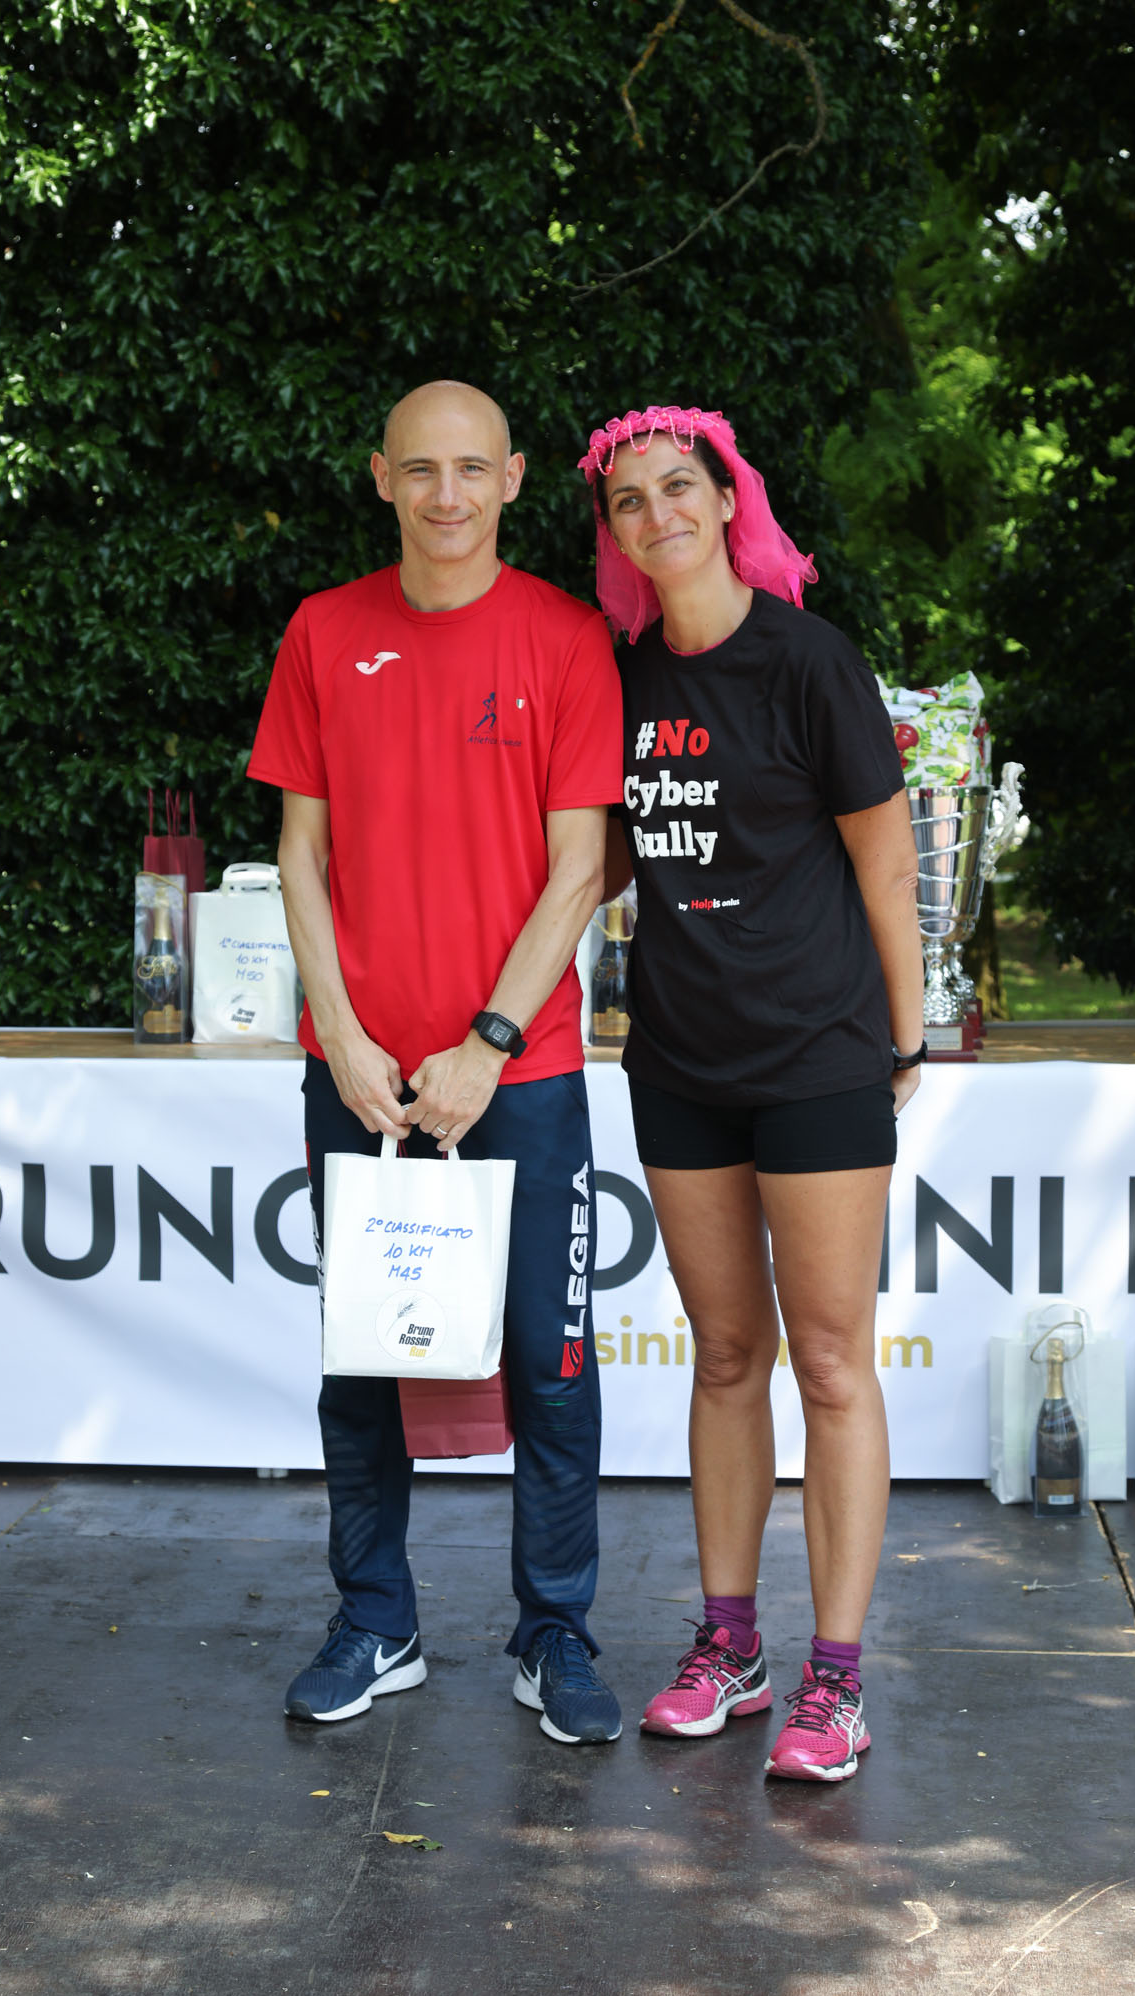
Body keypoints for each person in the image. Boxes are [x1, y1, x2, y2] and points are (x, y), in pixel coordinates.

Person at [248, 380, 624, 1746]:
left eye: (472, 469)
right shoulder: (322, 631)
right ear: (381, 477)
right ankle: (376, 1622)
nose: (447, 495)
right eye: (421, 470)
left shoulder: (567, 638)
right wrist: (342, 1033)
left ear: (514, 478)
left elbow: (578, 870)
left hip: (519, 1076)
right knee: (363, 1362)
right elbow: (299, 853)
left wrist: (488, 1042)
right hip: (358, 1074)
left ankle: (554, 1631)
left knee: (550, 1361)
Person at [577, 403, 924, 1782]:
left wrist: (903, 1043)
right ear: (612, 533)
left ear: (728, 502)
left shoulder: (807, 661)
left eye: (680, 486)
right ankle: (730, 1647)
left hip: (819, 1054)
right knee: (725, 1357)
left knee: (830, 1363)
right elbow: (594, 860)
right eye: (629, 499)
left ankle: (836, 1681)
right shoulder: (618, 679)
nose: (657, 512)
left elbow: (886, 866)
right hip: (679, 1059)